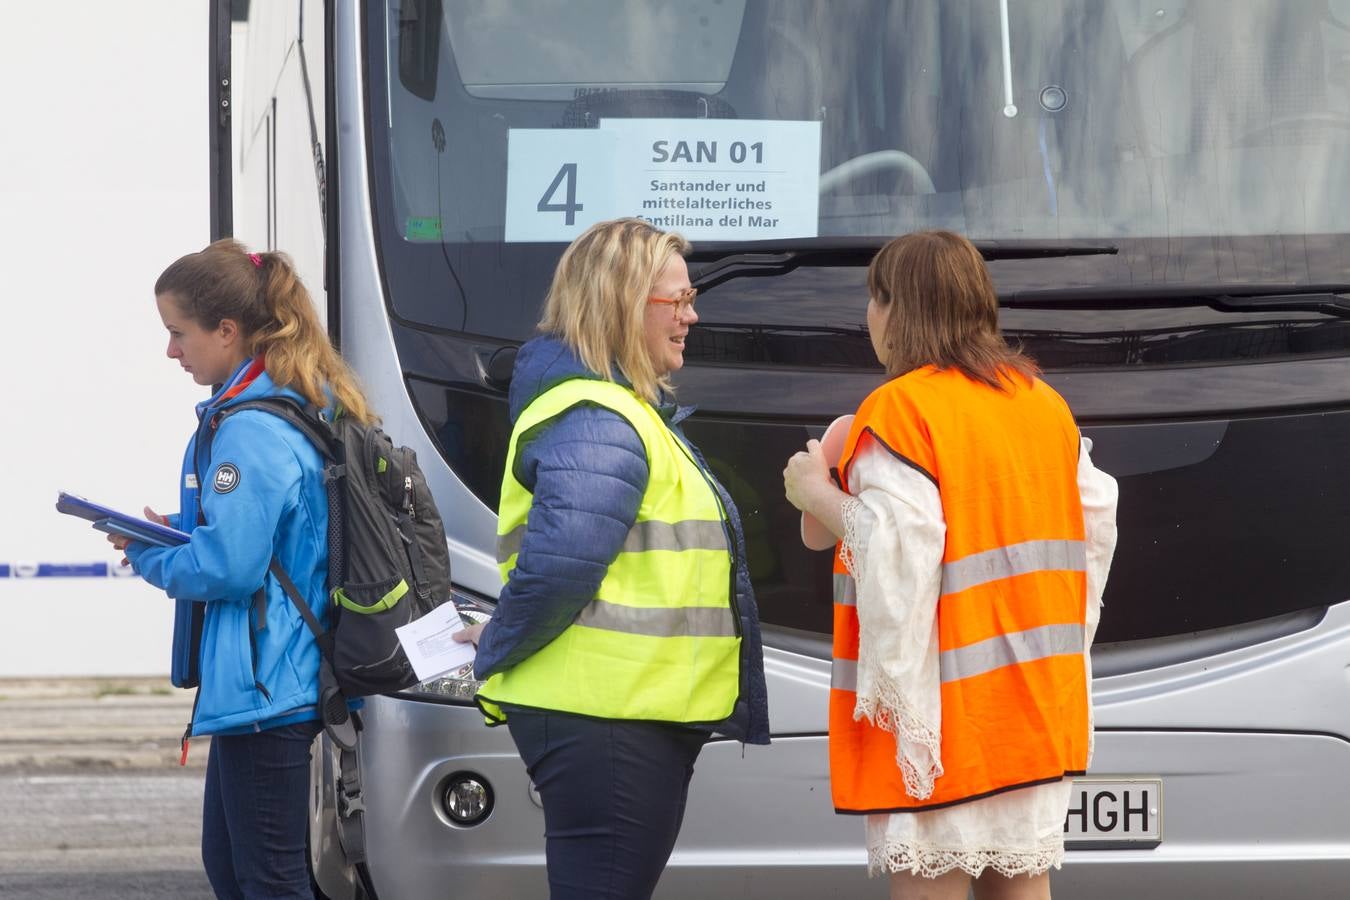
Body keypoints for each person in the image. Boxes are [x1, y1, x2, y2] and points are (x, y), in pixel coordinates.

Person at [783, 231, 1118, 900]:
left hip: (940, 721)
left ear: (898, 308)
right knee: (1022, 883)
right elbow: (1096, 524)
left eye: (874, 301)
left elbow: (897, 551)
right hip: (1031, 704)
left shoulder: (901, 411)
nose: (867, 319)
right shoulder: (1042, 405)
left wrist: (811, 490)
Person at [453, 217, 770, 900]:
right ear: (624, 304)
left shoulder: (615, 411)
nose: (693, 316)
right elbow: (562, 566)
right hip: (609, 720)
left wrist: (501, 633)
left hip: (618, 713)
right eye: (677, 300)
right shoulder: (599, 418)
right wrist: (498, 644)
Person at [108, 239, 372, 899]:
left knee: (267, 880)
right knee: (239, 870)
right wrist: (182, 531)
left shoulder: (250, 428)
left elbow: (229, 568)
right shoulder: (295, 402)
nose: (172, 351)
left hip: (266, 683)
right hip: (270, 681)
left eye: (178, 333)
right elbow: (269, 536)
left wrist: (148, 552)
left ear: (227, 331)